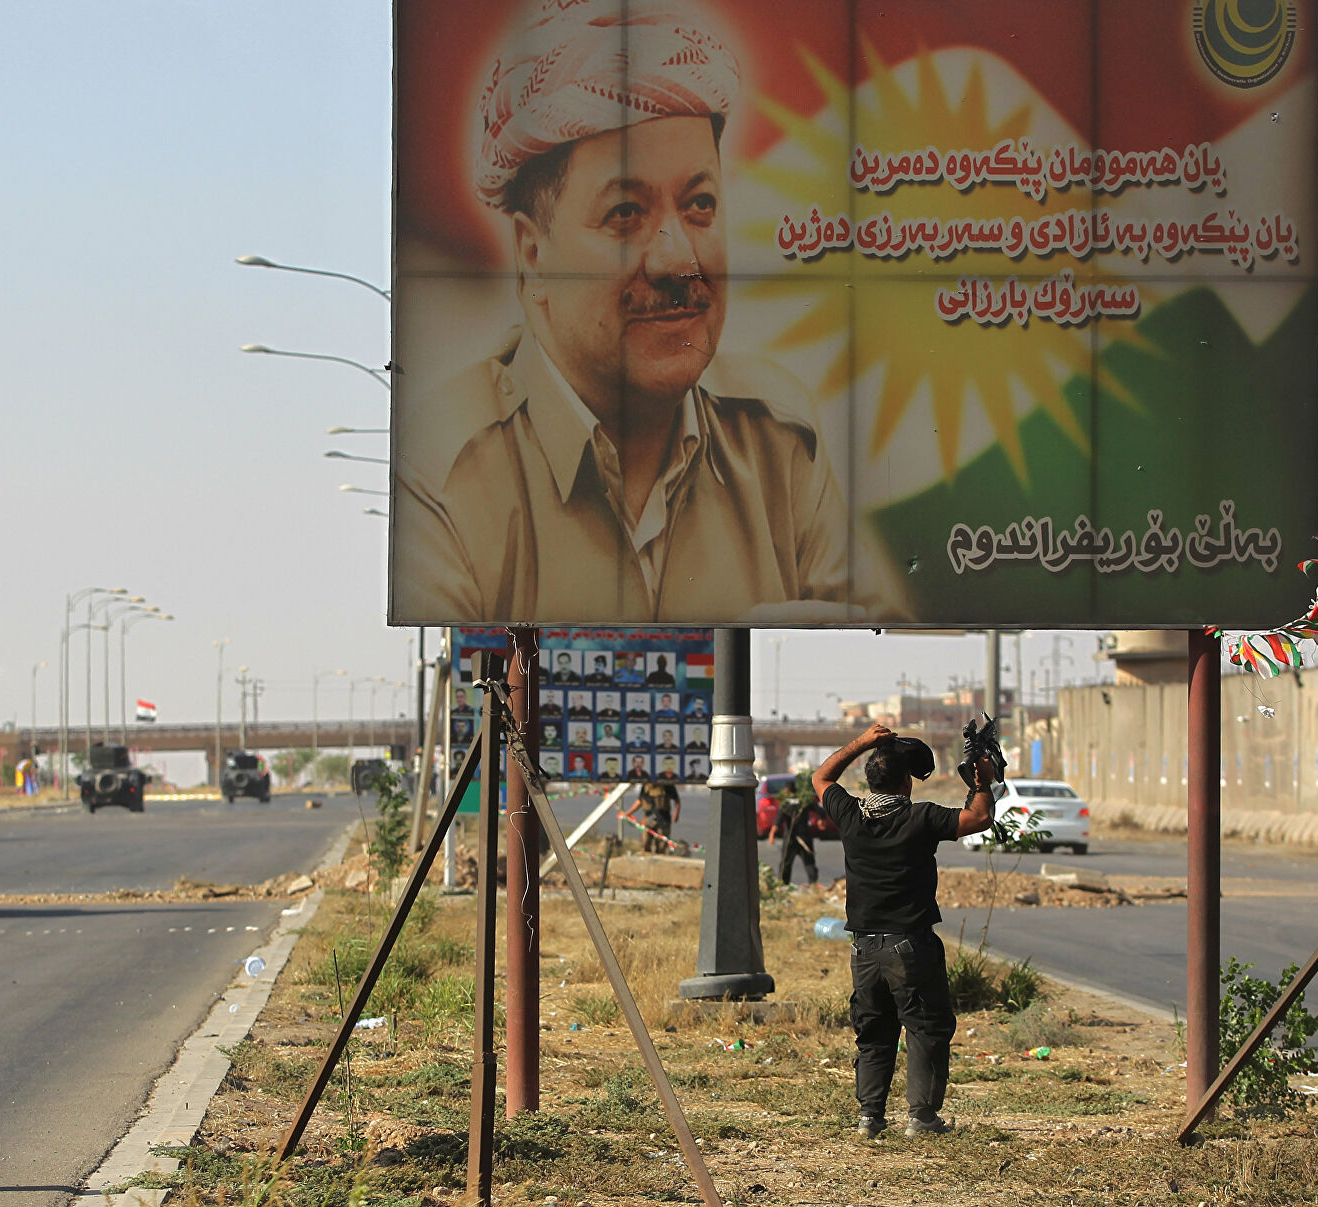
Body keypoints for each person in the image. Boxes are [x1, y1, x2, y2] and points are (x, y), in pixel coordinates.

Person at [392, 0, 853, 624]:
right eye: (625, 214)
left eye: (700, 205)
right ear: (533, 254)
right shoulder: (444, 471)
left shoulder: (779, 443)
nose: (677, 261)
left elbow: (836, 641)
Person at [811, 723, 996, 1140]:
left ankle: (870, 1117)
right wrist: (984, 780)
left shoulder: (849, 814)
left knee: (874, 1032)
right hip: (909, 946)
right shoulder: (920, 816)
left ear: (869, 779)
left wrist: (863, 741)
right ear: (905, 783)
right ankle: (922, 1118)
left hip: (863, 948)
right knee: (926, 1027)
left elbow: (821, 777)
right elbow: (979, 816)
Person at [772, 781, 828, 885]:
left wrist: (772, 835)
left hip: (790, 839)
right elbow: (821, 811)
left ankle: (783, 885)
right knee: (809, 862)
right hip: (804, 837)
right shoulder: (804, 801)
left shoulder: (785, 804)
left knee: (786, 863)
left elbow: (778, 821)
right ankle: (813, 885)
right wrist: (822, 821)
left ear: (786, 791)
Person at [637, 778, 680, 852]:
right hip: (648, 819)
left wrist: (676, 814)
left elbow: (677, 800)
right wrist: (627, 814)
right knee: (645, 843)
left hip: (663, 819)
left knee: (661, 846)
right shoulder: (646, 785)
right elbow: (639, 801)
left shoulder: (667, 784)